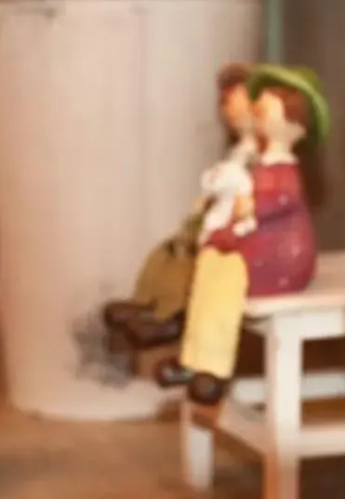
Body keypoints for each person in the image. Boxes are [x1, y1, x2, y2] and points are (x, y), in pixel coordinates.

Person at [155, 64, 328, 405]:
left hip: (281, 259)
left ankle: (214, 367)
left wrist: (249, 206)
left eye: (268, 107)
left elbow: (280, 199)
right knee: (209, 261)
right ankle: (193, 356)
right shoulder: (263, 162)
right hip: (261, 247)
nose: (257, 110)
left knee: (226, 279)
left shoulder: (284, 168)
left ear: (295, 124)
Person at [103, 63, 257, 349]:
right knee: (167, 252)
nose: (229, 112)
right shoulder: (239, 151)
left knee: (189, 263)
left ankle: (172, 318)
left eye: (236, 103)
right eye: (225, 104)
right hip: (219, 217)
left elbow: (247, 195)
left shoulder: (260, 154)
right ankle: (147, 303)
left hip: (240, 229)